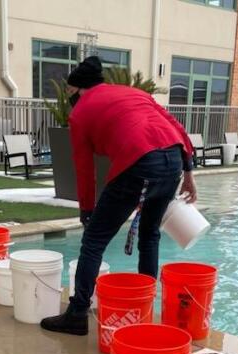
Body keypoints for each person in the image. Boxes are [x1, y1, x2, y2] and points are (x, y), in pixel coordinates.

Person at [41, 56, 197, 336]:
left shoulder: (80, 113)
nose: (68, 97)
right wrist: (188, 171)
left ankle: (77, 314)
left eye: (68, 92)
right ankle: (144, 309)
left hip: (138, 163)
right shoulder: (136, 93)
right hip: (171, 161)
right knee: (150, 235)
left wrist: (87, 211)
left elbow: (84, 167)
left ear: (78, 89)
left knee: (93, 241)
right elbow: (175, 126)